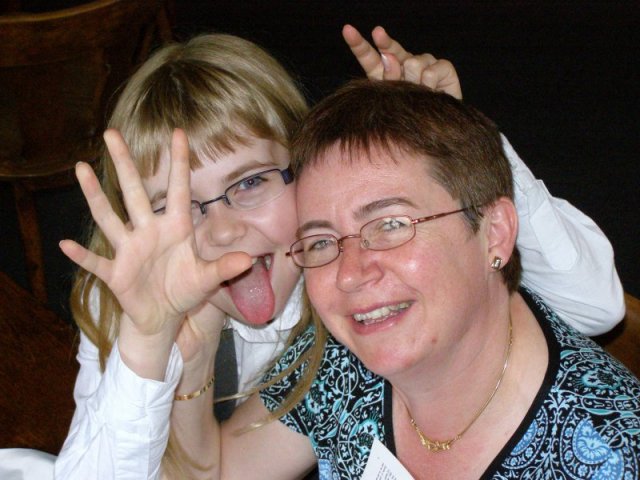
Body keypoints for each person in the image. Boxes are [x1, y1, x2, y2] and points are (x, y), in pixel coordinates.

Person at [54, 27, 624, 478]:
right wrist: (152, 345)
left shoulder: (354, 300)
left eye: (249, 183)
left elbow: (597, 305)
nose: (222, 232)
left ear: (306, 169)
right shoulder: (138, 301)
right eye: (174, 206)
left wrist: (450, 139)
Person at [249, 79, 640, 478]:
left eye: (391, 225)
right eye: (320, 242)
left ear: (494, 233)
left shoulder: (612, 455)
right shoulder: (343, 357)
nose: (349, 275)